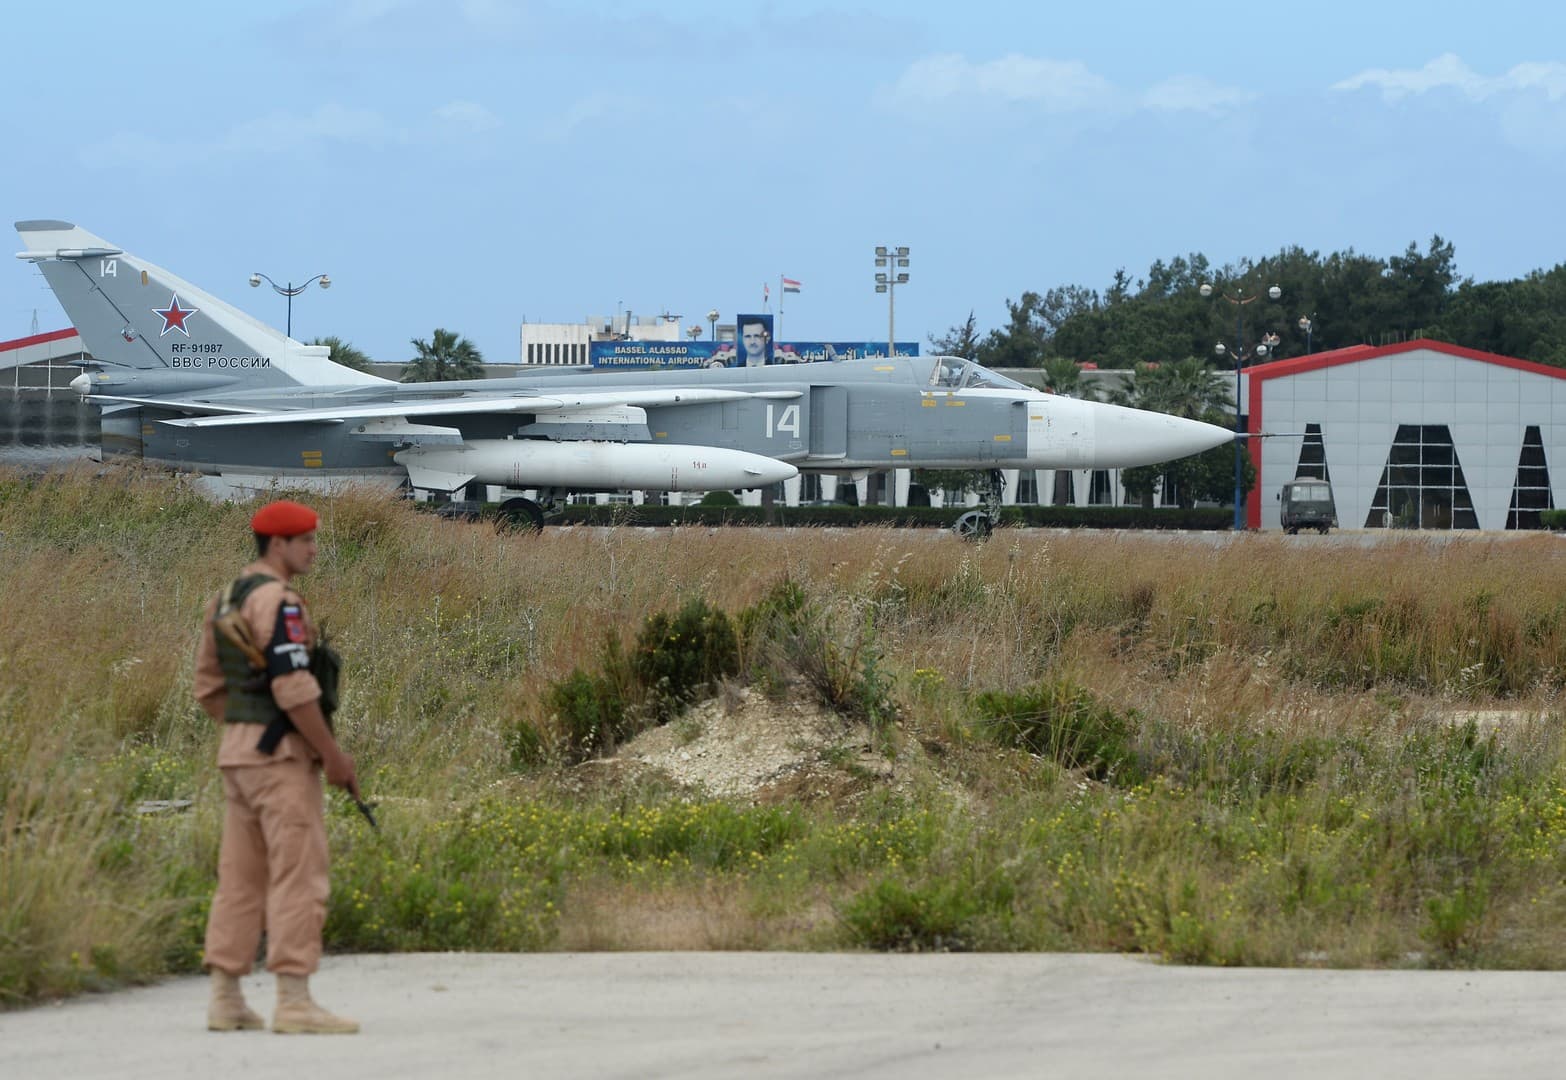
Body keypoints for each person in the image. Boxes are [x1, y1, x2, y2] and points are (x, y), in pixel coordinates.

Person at [195, 498, 360, 1035]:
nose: (314, 549)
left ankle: (226, 997)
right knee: (298, 874)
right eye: (306, 540)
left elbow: (209, 688)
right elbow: (292, 686)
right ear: (278, 544)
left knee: (240, 878)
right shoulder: (280, 602)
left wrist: (246, 730)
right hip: (281, 758)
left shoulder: (225, 597)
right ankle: (293, 998)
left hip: (238, 754)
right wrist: (329, 754)